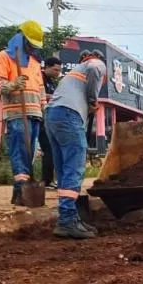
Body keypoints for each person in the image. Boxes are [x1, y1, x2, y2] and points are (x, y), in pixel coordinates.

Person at [44, 50, 106, 239]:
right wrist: (92, 100)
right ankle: (67, 221)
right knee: (74, 168)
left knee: (63, 169)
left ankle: (68, 216)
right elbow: (96, 68)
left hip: (52, 116)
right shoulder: (96, 64)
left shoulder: (72, 74)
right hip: (68, 116)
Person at [0, 20, 46, 206]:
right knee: (19, 152)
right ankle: (21, 188)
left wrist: (44, 108)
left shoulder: (34, 63)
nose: (32, 48)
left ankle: (21, 193)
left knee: (30, 153)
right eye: (30, 44)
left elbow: (40, 89)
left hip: (34, 114)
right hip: (16, 113)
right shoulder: (4, 57)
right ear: (22, 39)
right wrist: (13, 84)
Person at [38, 56, 62, 189]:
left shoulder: (52, 82)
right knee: (48, 149)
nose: (57, 73)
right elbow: (39, 94)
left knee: (51, 149)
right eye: (55, 70)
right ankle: (46, 181)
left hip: (48, 118)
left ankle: (49, 180)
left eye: (59, 71)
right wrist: (53, 97)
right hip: (39, 117)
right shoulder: (40, 78)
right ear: (46, 66)